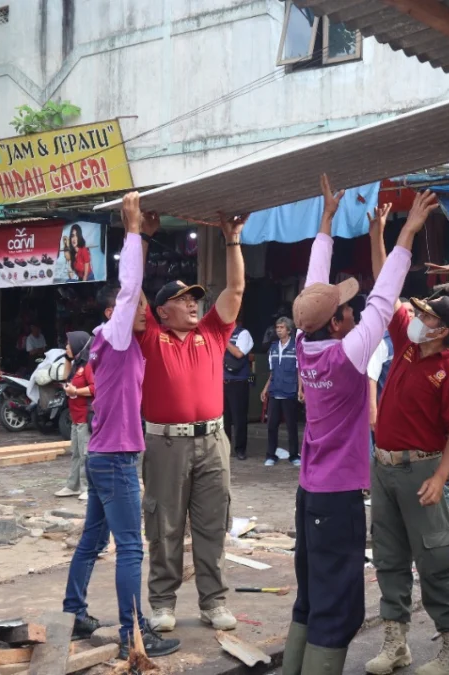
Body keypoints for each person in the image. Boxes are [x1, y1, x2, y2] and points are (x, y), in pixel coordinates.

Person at [281, 175, 436, 675]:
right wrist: (407, 233)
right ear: (338, 322)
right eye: (348, 306)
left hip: (309, 493)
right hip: (337, 497)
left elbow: (313, 289)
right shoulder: (348, 357)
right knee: (336, 607)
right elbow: (386, 297)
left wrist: (326, 221)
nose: (355, 306)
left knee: (311, 597)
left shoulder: (306, 345)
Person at [61, 192, 180, 660]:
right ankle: (135, 630)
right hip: (114, 459)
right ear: (115, 312)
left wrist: (146, 238)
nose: (147, 313)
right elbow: (130, 289)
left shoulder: (115, 340)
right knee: (132, 547)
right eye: (138, 309)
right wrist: (131, 230)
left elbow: (135, 293)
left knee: (93, 538)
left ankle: (75, 611)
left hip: (104, 456)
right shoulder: (113, 334)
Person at [135, 209, 246, 634]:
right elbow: (132, 292)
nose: (192, 303)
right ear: (162, 311)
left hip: (213, 440)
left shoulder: (213, 334)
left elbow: (235, 288)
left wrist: (232, 240)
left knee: (212, 523)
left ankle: (213, 602)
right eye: (183, 300)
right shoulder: (150, 336)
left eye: (194, 298)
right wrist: (142, 237)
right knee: (164, 525)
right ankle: (162, 603)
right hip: (166, 444)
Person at [365, 283, 449, 675]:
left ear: (441, 329)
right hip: (384, 467)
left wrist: (442, 476)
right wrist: (384, 235)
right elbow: (388, 288)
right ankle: (396, 644)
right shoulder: (406, 347)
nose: (416, 319)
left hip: (422, 470)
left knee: (433, 559)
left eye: (426, 316)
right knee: (389, 558)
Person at [56, 331, 93, 501]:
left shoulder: (88, 365)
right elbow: (65, 379)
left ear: (78, 345)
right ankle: (73, 485)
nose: (66, 347)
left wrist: (76, 391)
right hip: (75, 417)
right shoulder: (77, 365)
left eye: (69, 344)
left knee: (85, 453)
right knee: (76, 453)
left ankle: (88, 487)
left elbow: (95, 388)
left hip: (86, 416)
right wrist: (68, 358)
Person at [261, 317, 302, 467]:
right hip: (275, 391)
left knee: (291, 426)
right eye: (277, 327)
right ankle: (271, 455)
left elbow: (300, 371)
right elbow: (272, 372)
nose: (278, 330)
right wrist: (265, 389)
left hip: (290, 391)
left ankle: (293, 455)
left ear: (289, 330)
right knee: (272, 425)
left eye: (282, 327)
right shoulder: (273, 347)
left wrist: (300, 389)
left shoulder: (296, 347)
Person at [223, 324, 254, 461]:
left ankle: (240, 449)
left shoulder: (243, 333)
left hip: (238, 383)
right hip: (222, 382)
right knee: (224, 420)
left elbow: (239, 353)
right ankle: (225, 449)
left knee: (239, 418)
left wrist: (224, 340)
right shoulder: (221, 332)